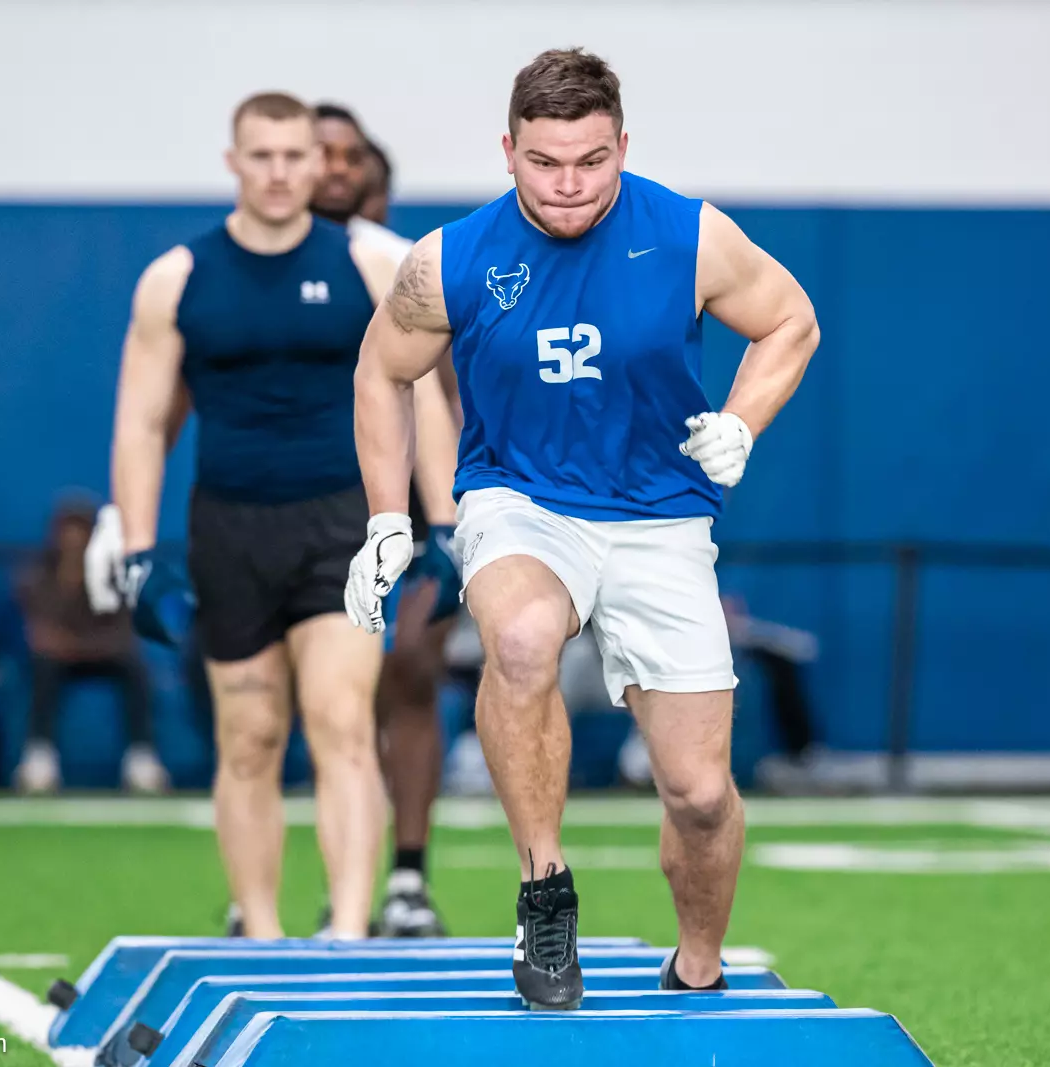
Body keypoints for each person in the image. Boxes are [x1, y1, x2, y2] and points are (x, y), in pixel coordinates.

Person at [343, 48, 820, 1008]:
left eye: (591, 162)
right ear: (508, 150)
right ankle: (545, 888)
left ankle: (696, 962)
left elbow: (791, 320)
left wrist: (740, 422)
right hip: (519, 498)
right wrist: (388, 517)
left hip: (660, 516)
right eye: (546, 162)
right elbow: (380, 372)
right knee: (518, 639)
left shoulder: (687, 234)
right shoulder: (450, 260)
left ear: (622, 147)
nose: (568, 185)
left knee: (696, 791)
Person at [88, 91, 458, 940]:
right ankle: (258, 932)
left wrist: (441, 520)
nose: (284, 172)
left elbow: (422, 397)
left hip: (341, 527)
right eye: (264, 156)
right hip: (230, 529)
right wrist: (138, 546)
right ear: (235, 162)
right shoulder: (178, 278)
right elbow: (143, 422)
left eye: (299, 156)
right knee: (250, 738)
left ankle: (350, 934)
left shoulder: (370, 266)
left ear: (321, 165)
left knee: (340, 724)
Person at [309, 102, 459, 936]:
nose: (333, 169)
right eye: (317, 152)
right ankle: (338, 883)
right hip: (306, 507)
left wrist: (443, 518)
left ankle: (407, 875)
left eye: (349, 156)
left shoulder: (407, 265)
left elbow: (442, 392)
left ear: (377, 176)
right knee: (326, 698)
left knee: (406, 681)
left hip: (407, 509)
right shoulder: (251, 268)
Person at [14, 494, 168, 795]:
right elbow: (41, 635)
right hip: (57, 662)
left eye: (81, 531)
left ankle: (141, 758)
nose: (73, 540)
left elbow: (124, 635)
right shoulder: (36, 575)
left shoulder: (115, 573)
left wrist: (78, 644)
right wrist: (68, 582)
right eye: (66, 531)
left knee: (134, 668)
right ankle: (39, 757)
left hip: (104, 656)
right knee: (43, 668)